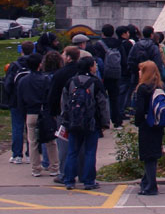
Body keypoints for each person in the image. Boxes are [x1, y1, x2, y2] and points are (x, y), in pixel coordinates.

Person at [60, 57, 110, 191]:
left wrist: (65, 120)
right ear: (90, 67)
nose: (96, 67)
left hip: (73, 122)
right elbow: (102, 104)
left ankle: (69, 180)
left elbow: (64, 103)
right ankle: (89, 181)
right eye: (94, 65)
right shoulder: (95, 82)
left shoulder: (71, 82)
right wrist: (105, 122)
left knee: (72, 152)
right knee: (89, 152)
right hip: (91, 122)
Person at [17, 53, 58, 177]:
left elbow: (20, 100)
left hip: (31, 113)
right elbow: (51, 97)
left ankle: (36, 168)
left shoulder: (23, 81)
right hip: (44, 112)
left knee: (33, 141)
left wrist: (24, 113)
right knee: (50, 141)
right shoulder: (46, 79)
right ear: (40, 65)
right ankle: (54, 167)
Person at [133, 61, 165, 195]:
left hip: (146, 124)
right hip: (157, 124)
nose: (138, 73)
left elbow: (140, 109)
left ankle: (151, 185)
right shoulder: (159, 86)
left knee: (148, 156)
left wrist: (137, 121)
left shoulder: (142, 88)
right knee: (153, 155)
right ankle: (146, 180)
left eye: (141, 70)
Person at [48, 47, 80, 184]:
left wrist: (53, 112)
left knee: (64, 145)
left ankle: (64, 173)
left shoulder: (60, 74)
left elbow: (53, 95)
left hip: (64, 113)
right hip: (83, 113)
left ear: (68, 57)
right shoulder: (82, 71)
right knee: (84, 145)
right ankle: (84, 173)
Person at [5, 40, 34, 164]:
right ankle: (29, 154)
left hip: (16, 101)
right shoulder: (34, 63)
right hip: (31, 101)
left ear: (21, 50)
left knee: (17, 127)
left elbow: (8, 84)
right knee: (30, 128)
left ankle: (17, 155)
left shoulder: (14, 65)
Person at [91, 25, 124, 129]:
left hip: (103, 75)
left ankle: (102, 121)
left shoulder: (98, 45)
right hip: (115, 74)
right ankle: (117, 122)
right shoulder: (119, 44)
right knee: (115, 98)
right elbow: (124, 60)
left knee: (101, 98)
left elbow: (97, 60)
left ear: (102, 33)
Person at [126, 26, 165, 92]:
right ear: (151, 35)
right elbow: (158, 63)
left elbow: (130, 61)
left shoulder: (136, 46)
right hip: (151, 78)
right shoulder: (154, 47)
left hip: (137, 76)